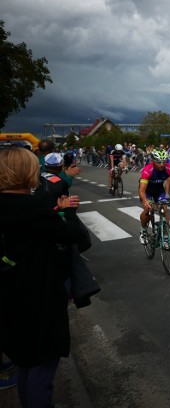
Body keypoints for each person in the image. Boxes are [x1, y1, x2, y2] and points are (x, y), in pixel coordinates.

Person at [0, 147, 86, 407]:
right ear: (27, 172)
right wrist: (68, 211)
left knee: (25, 362)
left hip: (8, 295)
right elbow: (75, 237)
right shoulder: (31, 208)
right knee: (41, 367)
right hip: (37, 296)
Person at [138, 149, 170, 244]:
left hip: (159, 190)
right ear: (153, 161)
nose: (161, 165)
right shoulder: (148, 170)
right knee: (149, 209)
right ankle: (143, 230)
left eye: (164, 162)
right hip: (147, 191)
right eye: (158, 162)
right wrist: (145, 201)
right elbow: (142, 190)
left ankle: (165, 234)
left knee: (164, 208)